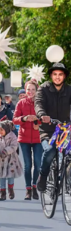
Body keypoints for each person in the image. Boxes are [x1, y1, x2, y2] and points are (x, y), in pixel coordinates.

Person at [35, 62, 71, 194]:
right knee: (50, 150)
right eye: (55, 74)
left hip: (65, 130)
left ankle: (66, 176)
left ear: (64, 76)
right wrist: (42, 115)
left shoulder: (69, 90)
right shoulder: (43, 89)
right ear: (51, 75)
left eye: (60, 74)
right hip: (48, 130)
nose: (57, 77)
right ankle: (43, 177)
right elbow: (38, 103)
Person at [14, 79, 42, 200]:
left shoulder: (41, 103)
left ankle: (35, 187)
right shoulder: (21, 103)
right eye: (28, 89)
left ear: (37, 90)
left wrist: (39, 123)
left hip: (38, 138)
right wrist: (24, 118)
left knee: (37, 163)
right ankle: (28, 189)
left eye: (33, 89)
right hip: (24, 138)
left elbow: (46, 117)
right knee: (27, 165)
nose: (30, 92)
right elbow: (14, 119)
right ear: (25, 90)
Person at [0, 120, 23, 201]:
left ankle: (10, 189)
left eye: (1, 129)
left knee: (10, 175)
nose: (0, 131)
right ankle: (2, 193)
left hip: (11, 159)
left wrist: (6, 151)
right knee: (1, 176)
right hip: (0, 160)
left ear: (6, 129)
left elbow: (14, 146)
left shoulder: (12, 136)